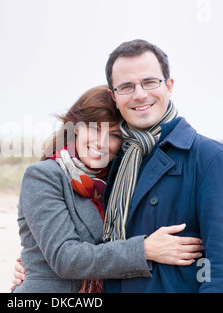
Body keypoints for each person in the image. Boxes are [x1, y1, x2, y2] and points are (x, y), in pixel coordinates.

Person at [11, 85, 203, 293]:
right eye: (95, 128)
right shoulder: (43, 176)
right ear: (75, 127)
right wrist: (144, 250)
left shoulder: (121, 183)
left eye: (114, 134)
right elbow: (65, 258)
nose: (101, 143)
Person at [102, 39, 223, 292]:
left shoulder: (211, 159)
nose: (139, 94)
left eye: (150, 82)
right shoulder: (111, 161)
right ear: (113, 97)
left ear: (169, 86)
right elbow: (84, 246)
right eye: (126, 86)